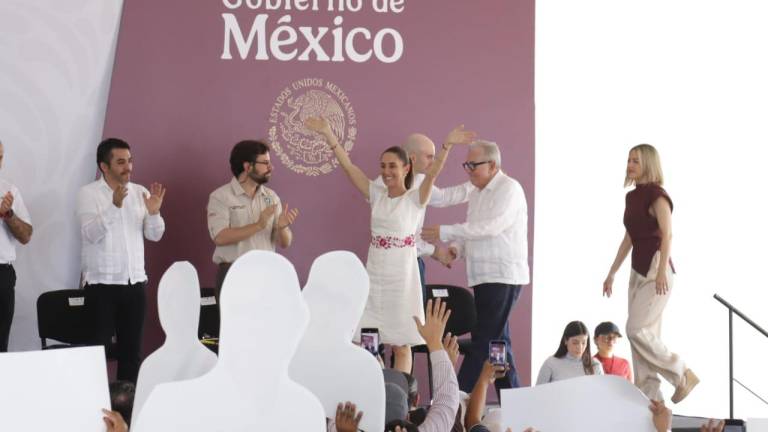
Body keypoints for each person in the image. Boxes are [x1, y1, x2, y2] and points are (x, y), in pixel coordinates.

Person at [305, 116, 475, 373]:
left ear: (407, 168)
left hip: (403, 275)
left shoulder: (417, 196)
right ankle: (373, 388)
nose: (386, 172)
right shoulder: (376, 192)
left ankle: (401, 396)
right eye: (383, 166)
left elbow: (434, 172)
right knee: (368, 339)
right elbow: (349, 167)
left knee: (401, 343)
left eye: (392, 166)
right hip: (375, 272)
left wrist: (447, 147)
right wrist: (329, 134)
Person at [421, 139, 529, 392]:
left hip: (502, 276)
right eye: (466, 164)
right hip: (484, 277)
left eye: (473, 165)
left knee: (483, 342)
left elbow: (491, 227)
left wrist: (444, 231)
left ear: (492, 165)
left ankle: (454, 401)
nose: (468, 170)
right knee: (499, 345)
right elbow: (472, 229)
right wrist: (456, 250)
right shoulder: (477, 191)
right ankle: (515, 402)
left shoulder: (509, 189)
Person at [603, 144, 698, 403]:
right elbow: (629, 238)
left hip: (657, 267)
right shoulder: (631, 197)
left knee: (635, 329)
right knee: (642, 340)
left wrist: (661, 272)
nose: (629, 165)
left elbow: (667, 234)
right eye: (628, 160)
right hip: (637, 270)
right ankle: (651, 402)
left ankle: (681, 373)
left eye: (635, 160)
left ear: (648, 164)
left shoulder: (657, 195)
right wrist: (612, 272)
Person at [78, 138, 166, 382]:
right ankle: (95, 409)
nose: (128, 167)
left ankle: (126, 411)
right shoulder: (88, 194)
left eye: (130, 161)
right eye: (120, 162)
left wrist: (155, 212)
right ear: (104, 166)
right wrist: (114, 207)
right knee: (96, 355)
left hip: (135, 284)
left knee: (131, 354)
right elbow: (89, 234)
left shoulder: (140, 193)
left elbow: (154, 235)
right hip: (101, 286)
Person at [207, 140, 299, 299]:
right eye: (265, 163)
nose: (271, 167)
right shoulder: (220, 197)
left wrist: (282, 228)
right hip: (233, 274)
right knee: (235, 325)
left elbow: (285, 243)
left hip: (267, 275)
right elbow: (220, 237)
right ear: (247, 166)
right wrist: (258, 225)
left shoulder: (271, 197)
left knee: (268, 324)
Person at [0, 140, 33, 352]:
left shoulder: (8, 190)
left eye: (0, 155)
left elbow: (26, 235)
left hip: (2, 276)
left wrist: (9, 215)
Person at [536, 321, 603, 385]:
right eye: (575, 343)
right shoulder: (551, 363)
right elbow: (538, 392)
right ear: (565, 340)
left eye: (583, 343)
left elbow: (602, 393)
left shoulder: (595, 365)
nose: (580, 347)